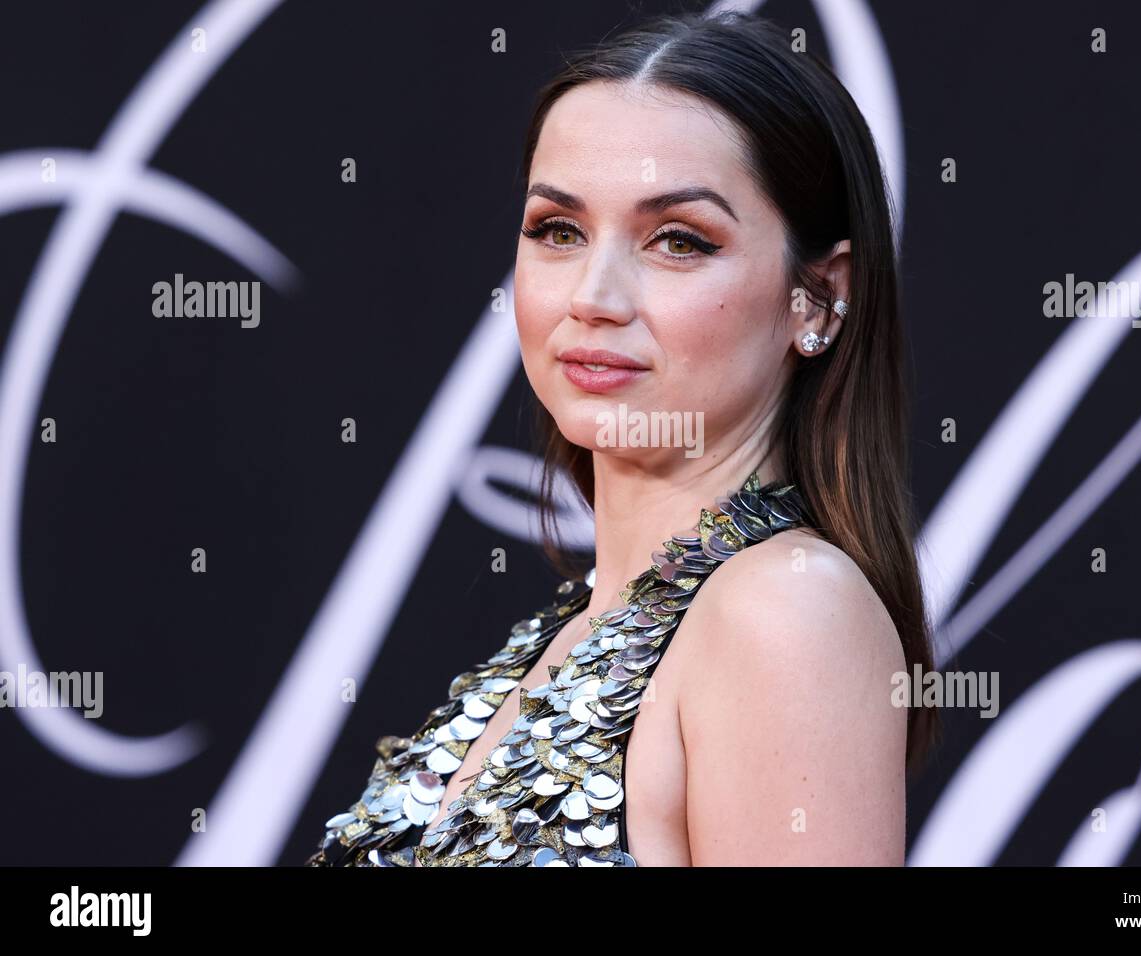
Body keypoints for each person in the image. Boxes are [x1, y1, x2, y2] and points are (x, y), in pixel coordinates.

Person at [306, 8, 937, 868]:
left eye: (678, 241)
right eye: (557, 231)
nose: (594, 296)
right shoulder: (574, 629)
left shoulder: (786, 609)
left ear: (818, 299)